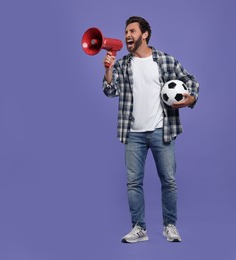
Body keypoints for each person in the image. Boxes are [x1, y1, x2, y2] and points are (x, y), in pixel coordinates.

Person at [102, 16, 199, 243]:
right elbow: (110, 90)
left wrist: (190, 98)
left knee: (169, 180)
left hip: (160, 130)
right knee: (133, 183)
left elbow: (191, 81)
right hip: (133, 133)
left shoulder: (164, 60)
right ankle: (139, 228)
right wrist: (107, 69)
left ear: (144, 34)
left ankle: (170, 226)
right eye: (126, 31)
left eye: (132, 31)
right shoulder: (123, 64)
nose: (127, 35)